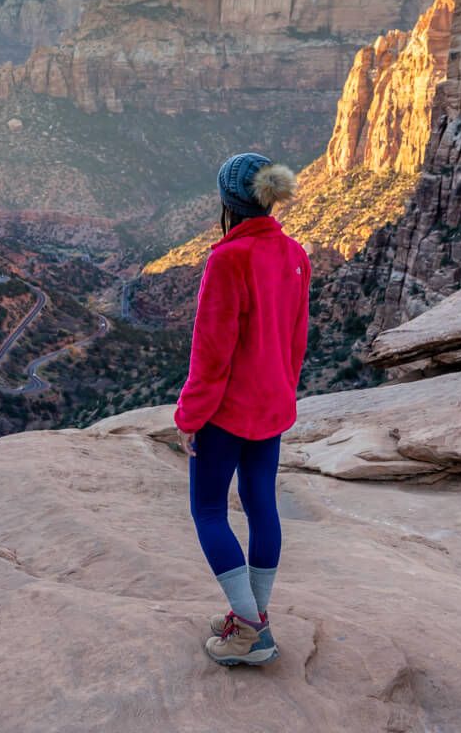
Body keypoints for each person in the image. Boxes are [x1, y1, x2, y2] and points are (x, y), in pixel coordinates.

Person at [174, 152, 310, 667]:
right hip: (272, 405)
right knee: (260, 507)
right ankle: (254, 615)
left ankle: (250, 630)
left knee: (208, 511)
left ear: (229, 202)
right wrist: (283, 391)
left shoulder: (228, 260)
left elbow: (212, 352)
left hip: (228, 413)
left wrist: (189, 416)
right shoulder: (296, 254)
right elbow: (297, 340)